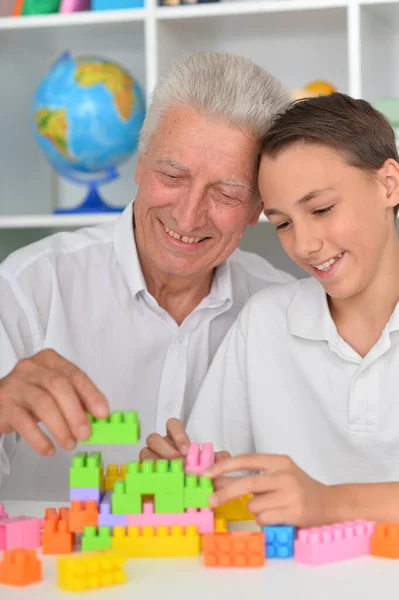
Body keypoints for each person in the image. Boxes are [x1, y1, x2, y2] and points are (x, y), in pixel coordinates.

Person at [0, 52, 294, 501]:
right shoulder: (30, 288)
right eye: (172, 175)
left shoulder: (283, 309)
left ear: (259, 207)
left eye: (227, 193)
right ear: (140, 165)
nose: (189, 214)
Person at [143, 93, 399, 528]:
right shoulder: (264, 322)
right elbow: (218, 481)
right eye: (283, 223)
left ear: (389, 184)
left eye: (321, 209)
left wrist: (331, 504)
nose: (304, 245)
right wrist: (186, 476)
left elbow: (322, 504)